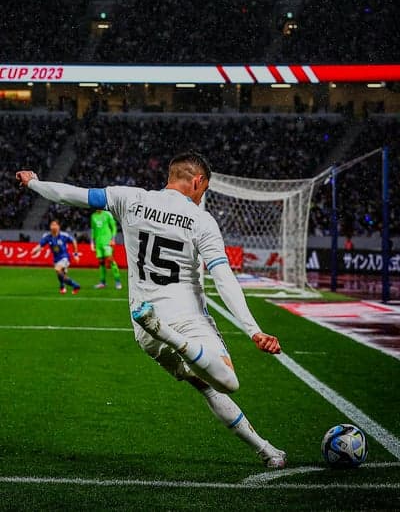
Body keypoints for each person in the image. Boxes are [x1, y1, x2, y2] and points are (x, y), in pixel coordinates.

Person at [16, 152, 286, 468]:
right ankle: (171, 334)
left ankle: (266, 450)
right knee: (228, 381)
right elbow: (223, 277)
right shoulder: (201, 220)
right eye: (205, 190)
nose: (203, 197)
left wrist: (34, 182)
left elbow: (71, 195)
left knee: (203, 384)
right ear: (198, 182)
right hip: (185, 322)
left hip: (143, 328)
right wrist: (252, 329)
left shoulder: (129, 198)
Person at [32, 219, 81, 295]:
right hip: (56, 259)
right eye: (52, 225)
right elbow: (40, 245)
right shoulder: (48, 236)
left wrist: (76, 254)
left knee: (58, 269)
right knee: (60, 274)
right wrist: (35, 250)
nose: (53, 227)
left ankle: (76, 285)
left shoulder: (63, 235)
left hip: (65, 257)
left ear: (58, 227)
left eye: (55, 225)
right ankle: (62, 287)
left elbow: (74, 241)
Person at [90, 208, 122, 290]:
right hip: (98, 242)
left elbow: (114, 227)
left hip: (107, 241)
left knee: (110, 259)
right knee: (101, 262)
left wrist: (113, 239)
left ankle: (118, 281)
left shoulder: (107, 214)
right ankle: (102, 282)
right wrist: (92, 242)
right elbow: (93, 229)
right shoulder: (93, 216)